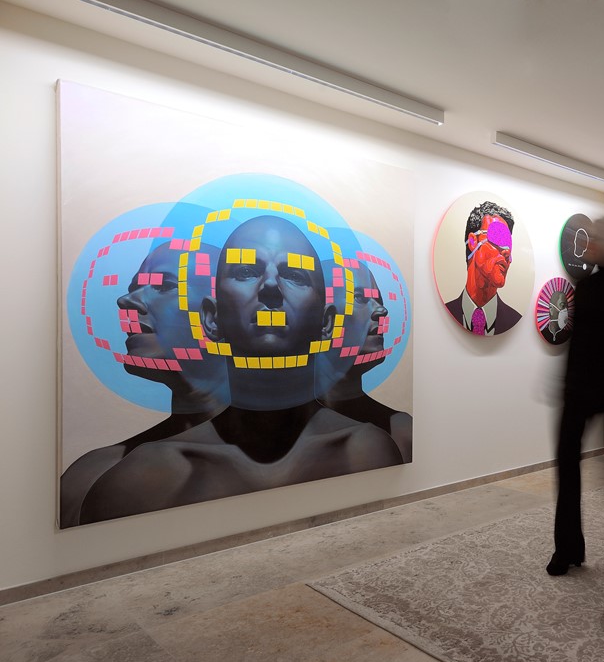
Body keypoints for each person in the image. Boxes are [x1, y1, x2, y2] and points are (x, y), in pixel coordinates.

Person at [78, 216, 402, 523]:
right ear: (211, 318)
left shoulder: (367, 449)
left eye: (295, 275)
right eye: (246, 271)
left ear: (326, 322)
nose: (271, 285)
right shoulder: (145, 480)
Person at [59, 242, 227, 528]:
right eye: (134, 287)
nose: (126, 300)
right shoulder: (88, 473)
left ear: (217, 317)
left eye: (163, 285)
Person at [547, 216, 604, 575]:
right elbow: (578, 341)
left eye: (595, 239)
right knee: (566, 464)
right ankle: (567, 549)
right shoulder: (586, 284)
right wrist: (564, 384)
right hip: (578, 388)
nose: (588, 245)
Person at [316, 262, 413, 463]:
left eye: (379, 300)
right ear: (325, 320)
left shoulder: (403, 430)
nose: (382, 310)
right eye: (360, 298)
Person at [444, 201, 521, 335]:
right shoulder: (442, 316)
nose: (507, 252)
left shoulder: (514, 321)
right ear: (473, 241)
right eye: (498, 237)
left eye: (509, 244)